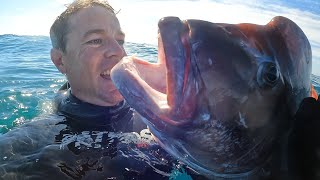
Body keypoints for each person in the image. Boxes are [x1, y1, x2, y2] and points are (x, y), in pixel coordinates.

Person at [50, 0, 145, 132]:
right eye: (96, 40)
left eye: (120, 41)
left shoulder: (151, 110)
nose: (119, 51)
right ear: (60, 61)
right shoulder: (32, 143)